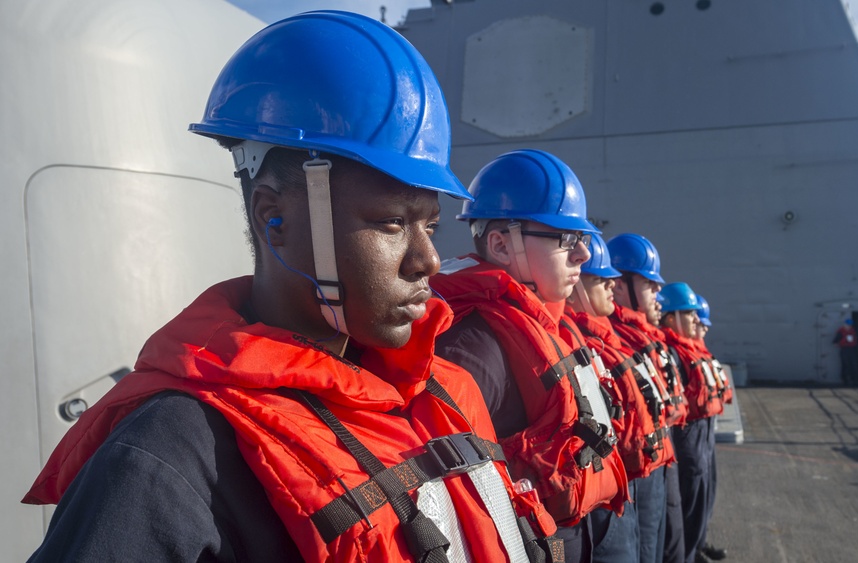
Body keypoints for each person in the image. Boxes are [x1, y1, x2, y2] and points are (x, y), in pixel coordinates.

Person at [23, 12, 559, 562]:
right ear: (273, 217)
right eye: (392, 223)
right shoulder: (174, 455)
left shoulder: (442, 390)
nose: (426, 260)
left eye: (430, 225)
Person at [432, 149, 630, 563]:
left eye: (581, 240)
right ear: (502, 245)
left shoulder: (544, 322)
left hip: (573, 529)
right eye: (565, 239)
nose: (583, 255)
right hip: (536, 544)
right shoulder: (472, 347)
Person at [562, 234, 650, 563]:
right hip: (588, 506)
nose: (612, 286)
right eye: (602, 280)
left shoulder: (595, 342)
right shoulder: (571, 341)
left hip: (615, 486)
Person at [605, 233, 686, 563]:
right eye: (650, 286)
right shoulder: (610, 342)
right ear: (622, 286)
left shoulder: (642, 337)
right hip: (634, 476)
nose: (658, 296)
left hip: (658, 461)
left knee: (658, 545)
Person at [659, 282, 725, 563]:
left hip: (703, 436)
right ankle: (687, 554)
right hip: (688, 439)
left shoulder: (690, 350)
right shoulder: (672, 353)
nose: (698, 322)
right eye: (690, 315)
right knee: (686, 506)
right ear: (671, 317)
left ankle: (696, 547)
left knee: (703, 498)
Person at [690, 294, 728, 562]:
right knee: (690, 497)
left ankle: (699, 542)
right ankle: (692, 550)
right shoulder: (682, 354)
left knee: (707, 490)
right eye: (698, 322)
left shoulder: (699, 351)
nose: (701, 328)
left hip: (706, 429)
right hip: (692, 430)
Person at [833, 318, 858, 385]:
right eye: (848, 325)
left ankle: (855, 380)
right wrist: (841, 345)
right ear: (845, 325)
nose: (849, 326)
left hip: (852, 349)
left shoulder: (854, 331)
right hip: (844, 349)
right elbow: (835, 342)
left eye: (850, 325)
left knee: (854, 364)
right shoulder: (841, 332)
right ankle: (845, 380)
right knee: (845, 365)